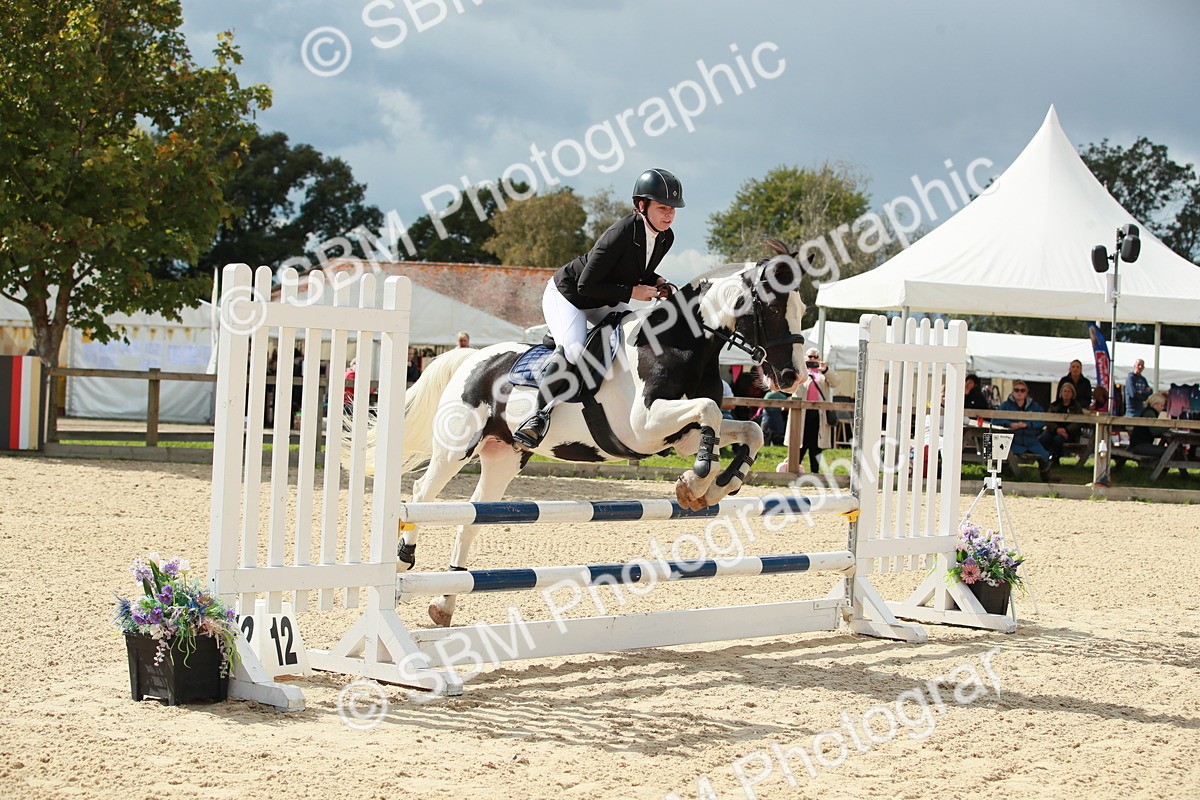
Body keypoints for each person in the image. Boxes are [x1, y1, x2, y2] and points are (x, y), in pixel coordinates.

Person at [512, 168, 683, 448]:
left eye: (673, 208)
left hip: (604, 298)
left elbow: (637, 270)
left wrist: (658, 281)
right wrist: (631, 291)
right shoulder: (619, 233)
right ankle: (537, 417)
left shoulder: (666, 237)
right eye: (662, 207)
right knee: (575, 349)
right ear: (642, 205)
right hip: (569, 296)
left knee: (634, 339)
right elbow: (585, 285)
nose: (669, 214)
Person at [996, 379, 1057, 482]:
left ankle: (1046, 477)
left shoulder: (1035, 406)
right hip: (1012, 440)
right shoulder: (1005, 405)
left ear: (1027, 392)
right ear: (1013, 392)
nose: (1019, 393)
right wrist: (1009, 424)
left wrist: (1028, 425)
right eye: (1016, 390)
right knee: (1005, 455)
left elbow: (1042, 421)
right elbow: (995, 419)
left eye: (1022, 390)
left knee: (1045, 456)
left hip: (1031, 441)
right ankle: (1006, 474)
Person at [793, 347, 838, 472]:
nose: (812, 359)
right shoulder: (800, 371)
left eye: (815, 357)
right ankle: (794, 469)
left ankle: (815, 471)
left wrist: (826, 370)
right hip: (802, 412)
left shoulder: (823, 374)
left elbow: (836, 382)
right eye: (809, 356)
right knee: (799, 442)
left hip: (819, 414)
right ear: (805, 358)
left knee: (816, 445)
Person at [1128, 392, 1189, 477]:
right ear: (1155, 404)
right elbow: (1155, 431)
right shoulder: (1150, 413)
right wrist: (1169, 426)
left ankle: (1168, 474)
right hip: (1139, 447)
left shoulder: (1149, 411)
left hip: (1138, 445)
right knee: (1171, 452)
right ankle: (1161, 475)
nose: (1162, 408)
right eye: (1161, 405)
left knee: (1172, 452)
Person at [1038, 381, 1084, 466]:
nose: (1066, 394)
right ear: (1061, 393)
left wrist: (1066, 430)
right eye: (1065, 391)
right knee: (1044, 438)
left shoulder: (1076, 406)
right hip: (1053, 430)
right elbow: (1048, 420)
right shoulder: (1054, 405)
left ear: (1072, 394)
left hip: (1070, 433)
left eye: (1069, 392)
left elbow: (1078, 422)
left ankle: (1055, 459)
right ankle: (1042, 459)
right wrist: (1056, 429)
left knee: (1058, 439)